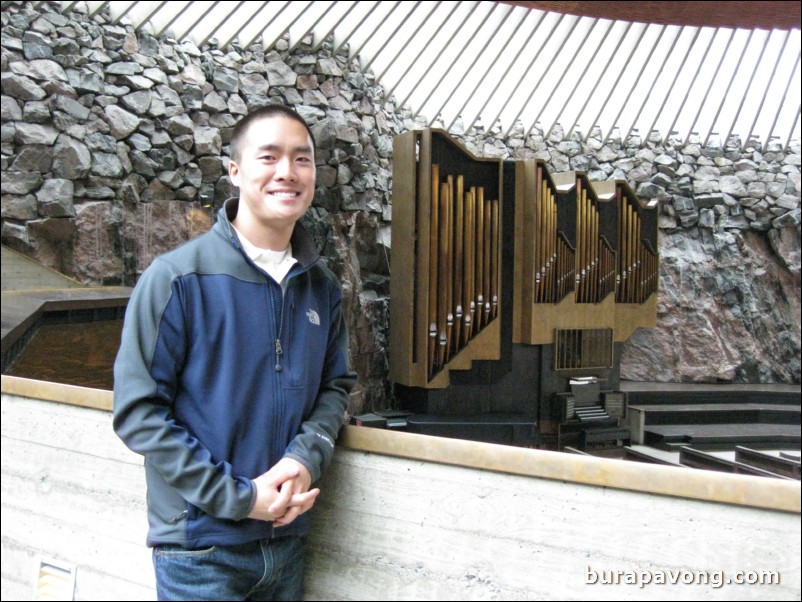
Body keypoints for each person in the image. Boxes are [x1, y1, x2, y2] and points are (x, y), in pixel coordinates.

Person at [113, 103, 356, 601]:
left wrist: (305, 461)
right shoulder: (178, 279)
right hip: (200, 550)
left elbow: (335, 389)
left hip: (286, 542)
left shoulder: (322, 288)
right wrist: (240, 498)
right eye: (268, 157)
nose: (287, 172)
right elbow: (139, 413)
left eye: (301, 159)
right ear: (235, 171)